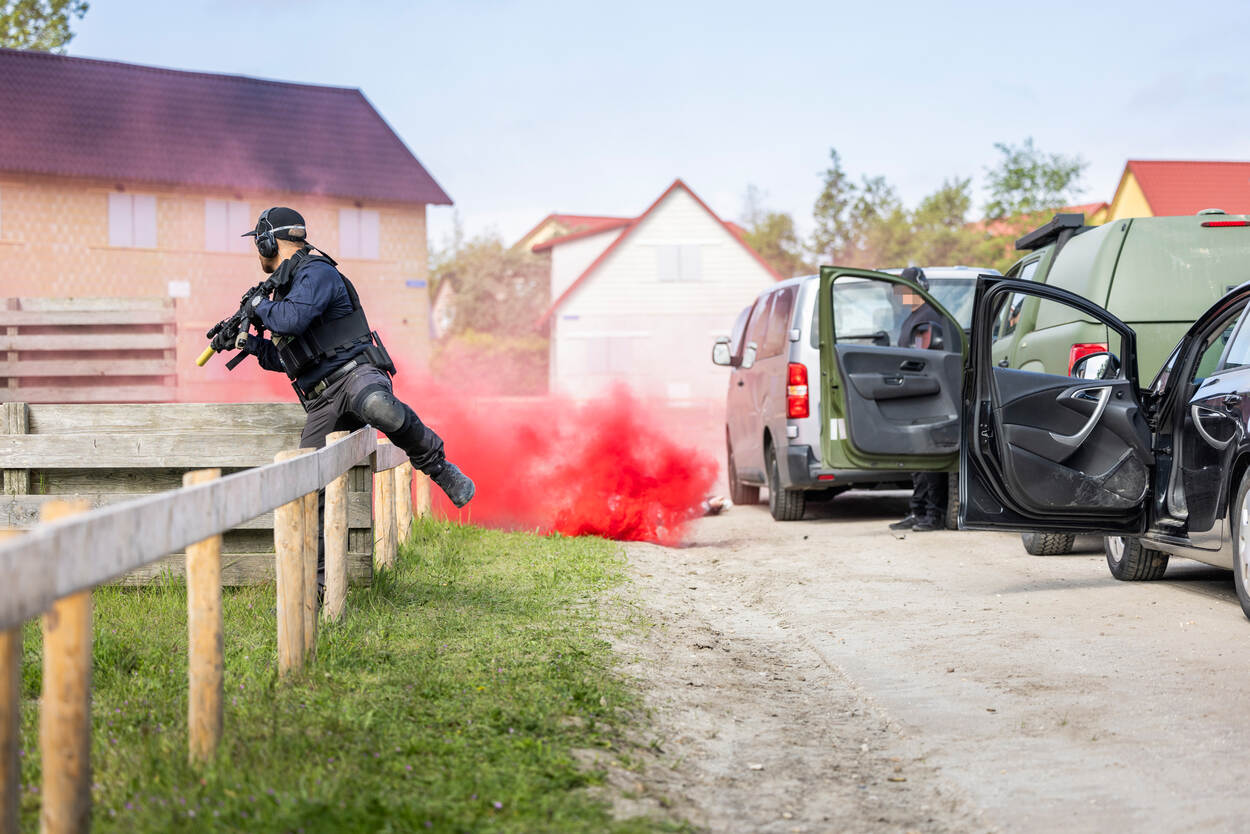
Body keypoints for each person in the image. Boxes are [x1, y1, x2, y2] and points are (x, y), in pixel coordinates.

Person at [224, 207, 475, 585]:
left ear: (268, 239)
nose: (257, 253)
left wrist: (257, 307)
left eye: (257, 244)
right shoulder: (285, 290)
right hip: (323, 398)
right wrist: (251, 344)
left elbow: (291, 319)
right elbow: (287, 358)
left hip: (357, 373)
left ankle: (441, 469)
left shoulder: (317, 273)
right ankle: (321, 586)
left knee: (379, 407)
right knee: (307, 481)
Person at [888, 267, 949, 533]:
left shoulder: (929, 318)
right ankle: (919, 510)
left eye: (902, 291)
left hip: (926, 395)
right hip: (913, 394)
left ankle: (933, 515)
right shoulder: (914, 318)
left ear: (916, 289)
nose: (899, 296)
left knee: (927, 459)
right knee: (915, 459)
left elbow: (924, 358)